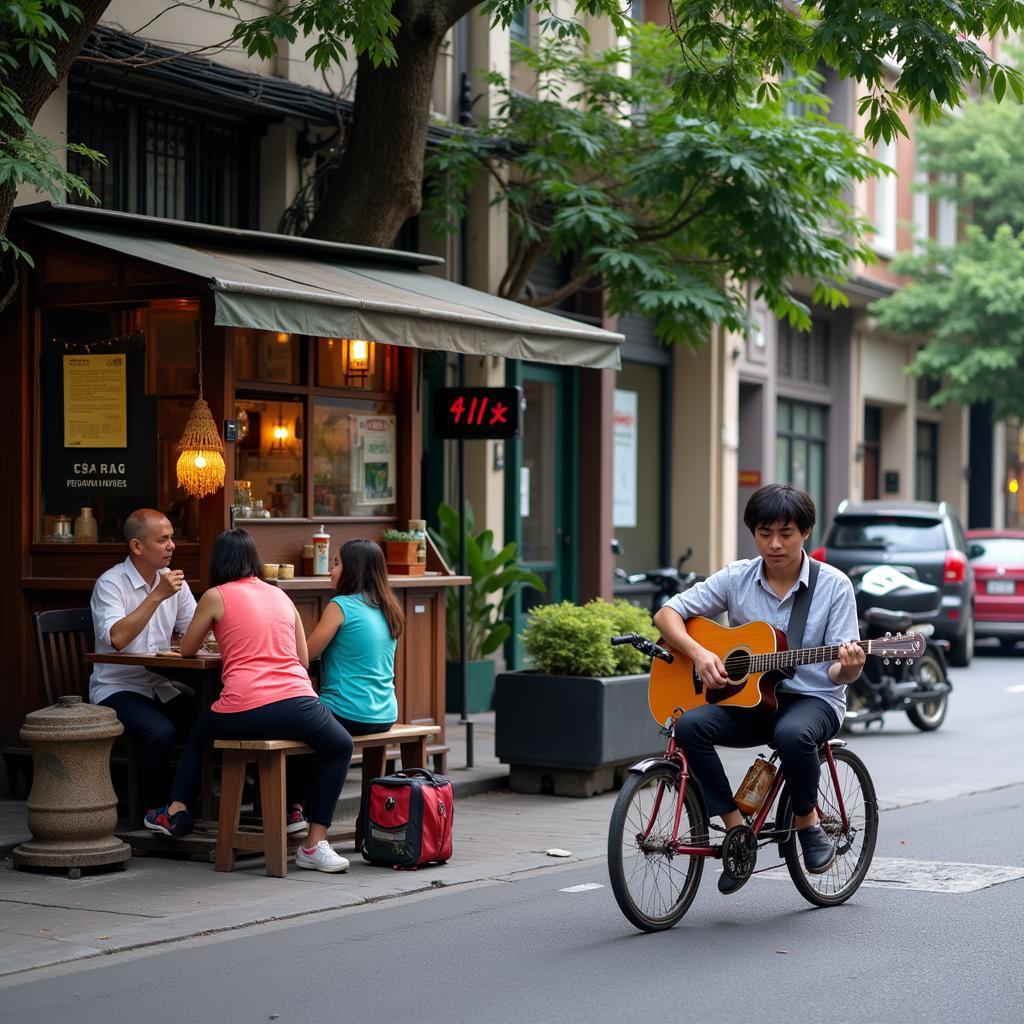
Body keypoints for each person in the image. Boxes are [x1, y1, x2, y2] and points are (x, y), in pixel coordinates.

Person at [652, 484, 865, 894]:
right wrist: (699, 654)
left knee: (791, 733)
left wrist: (851, 668)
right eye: (764, 533)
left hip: (813, 699)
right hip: (750, 700)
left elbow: (839, 671)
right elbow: (667, 614)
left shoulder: (834, 586)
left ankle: (807, 822)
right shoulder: (737, 577)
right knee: (689, 726)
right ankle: (736, 833)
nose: (774, 544)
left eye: (786, 533)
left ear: (806, 533)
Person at [143, 529, 354, 874]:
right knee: (340, 745)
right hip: (298, 703)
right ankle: (314, 843)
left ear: (219, 562)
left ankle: (177, 809)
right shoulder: (280, 595)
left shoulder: (215, 595)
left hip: (242, 708)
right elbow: (302, 659)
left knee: (200, 733)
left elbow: (187, 650)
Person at [286, 539, 404, 832]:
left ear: (354, 569)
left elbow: (306, 655)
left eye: (336, 563)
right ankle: (299, 809)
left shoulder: (340, 606)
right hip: (385, 715)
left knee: (289, 725)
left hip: (347, 712)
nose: (330, 570)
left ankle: (292, 809)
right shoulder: (389, 608)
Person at [90, 508, 198, 818]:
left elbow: (196, 630)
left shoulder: (173, 583)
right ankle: (154, 811)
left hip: (160, 685)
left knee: (209, 720)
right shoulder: (111, 583)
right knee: (159, 732)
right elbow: (118, 639)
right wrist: (157, 596)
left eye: (172, 538)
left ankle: (187, 806)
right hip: (117, 688)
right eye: (163, 540)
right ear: (137, 546)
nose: (172, 546)